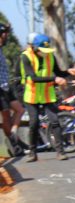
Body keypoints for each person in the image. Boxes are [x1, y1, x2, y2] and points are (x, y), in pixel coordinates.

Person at [19, 34, 75, 162]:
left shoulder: (50, 56)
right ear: (34, 48)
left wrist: (68, 71)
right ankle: (32, 152)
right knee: (34, 123)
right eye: (42, 51)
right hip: (32, 95)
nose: (44, 53)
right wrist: (54, 79)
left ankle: (60, 152)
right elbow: (33, 77)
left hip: (47, 94)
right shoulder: (25, 57)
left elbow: (58, 72)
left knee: (55, 121)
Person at [0, 23, 25, 155]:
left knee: (20, 110)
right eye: (5, 34)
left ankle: (14, 135)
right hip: (0, 88)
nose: (6, 37)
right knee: (6, 117)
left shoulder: (1, 48)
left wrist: (8, 27)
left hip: (6, 86)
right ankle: (12, 143)